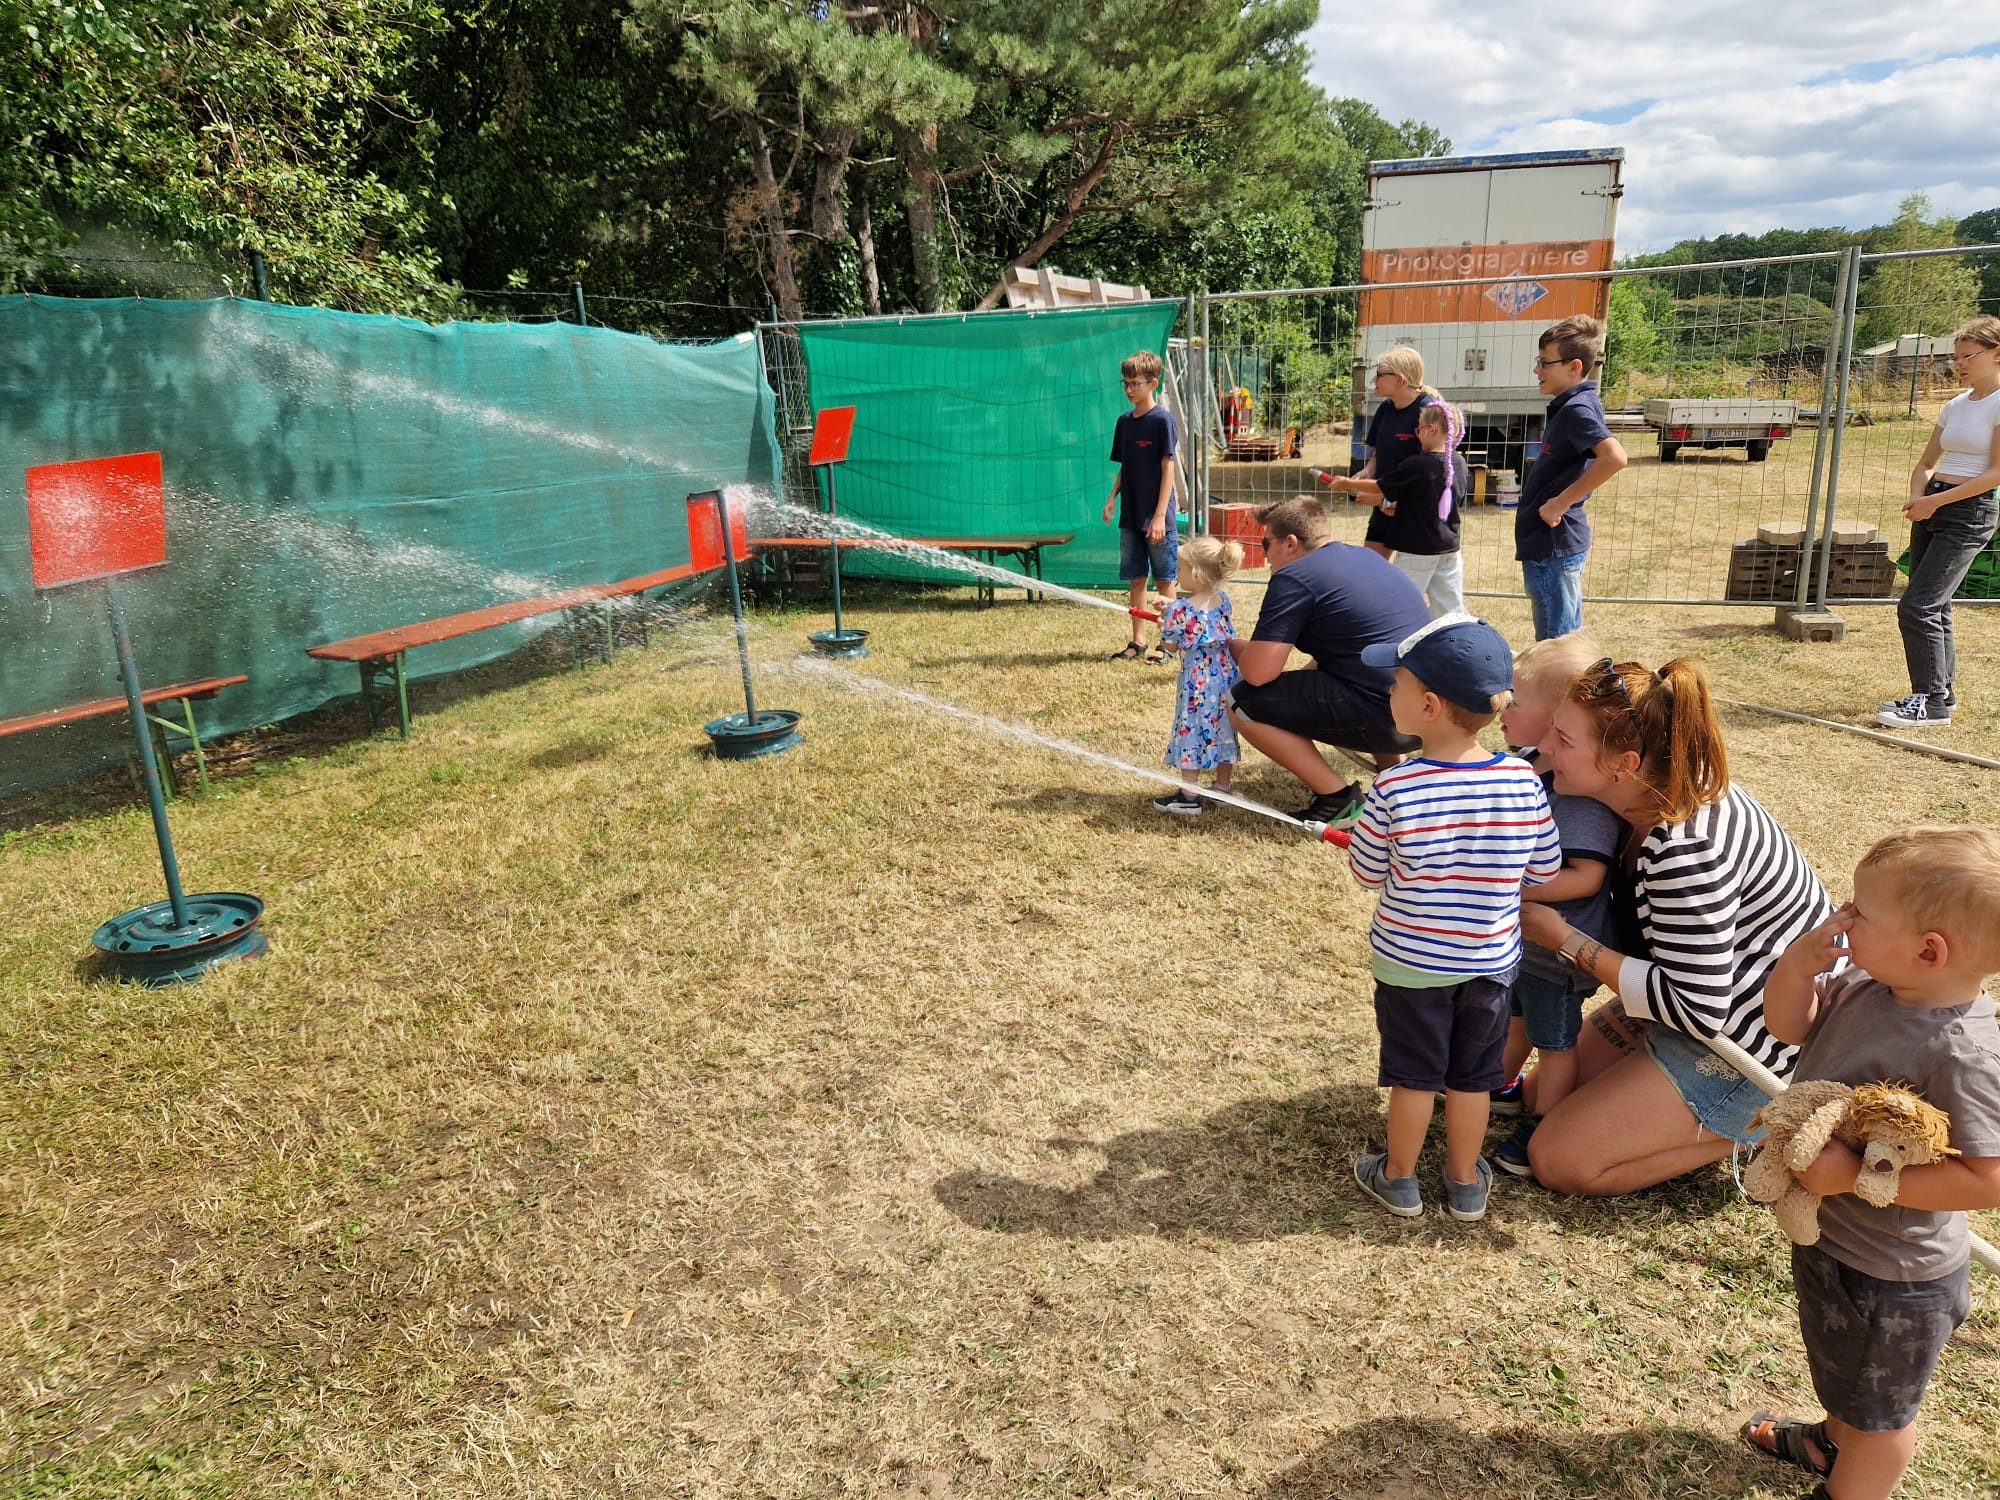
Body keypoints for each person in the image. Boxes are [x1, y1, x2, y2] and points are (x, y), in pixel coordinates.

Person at [1742, 825, 2000, 1500]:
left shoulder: (1963, 1053)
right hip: (1840, 1244)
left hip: (1895, 1281)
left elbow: (1988, 1178)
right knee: (1846, 1376)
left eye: (1860, 911)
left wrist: (1855, 1177)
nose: (1843, 917)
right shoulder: (1865, 985)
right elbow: (1789, 1026)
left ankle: (1850, 1480)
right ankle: (1831, 1443)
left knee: (1882, 1419)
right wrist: (1796, 968)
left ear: (1929, 950)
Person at [1517, 656, 1835, 1195]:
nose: (1547, 748)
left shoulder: (1684, 851)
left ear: (1625, 762)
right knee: (1536, 1093)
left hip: (1753, 1042)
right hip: (1703, 994)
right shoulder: (1656, 788)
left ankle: (1770, 1125)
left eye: (1564, 740)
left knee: (1558, 1160)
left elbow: (1698, 1008)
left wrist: (1564, 941)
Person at [1346, 614, 1561, 1222]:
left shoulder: (1396, 787)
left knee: (1415, 1078)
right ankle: (1466, 1184)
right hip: (1489, 965)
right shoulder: (1523, 780)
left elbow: (1366, 874)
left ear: (1431, 706)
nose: (1389, 691)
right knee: (1472, 1079)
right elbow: (1542, 871)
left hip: (1410, 964)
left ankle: (1399, 1179)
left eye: (1396, 683)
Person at [1486, 633, 1622, 1177]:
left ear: (1554, 721)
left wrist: (1512, 889)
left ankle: (1544, 1119)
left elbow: (1586, 877)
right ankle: (1499, 1086)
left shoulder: (1575, 795)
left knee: (1557, 1041)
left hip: (1559, 950)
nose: (1502, 705)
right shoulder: (1529, 764)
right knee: (1516, 1016)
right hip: (1525, 941)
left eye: (1515, 699)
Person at [1224, 496, 1431, 828]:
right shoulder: (1367, 557)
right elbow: (1350, 653)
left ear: (1290, 543)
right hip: (1427, 715)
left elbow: (1258, 673)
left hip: (1386, 718)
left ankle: (1338, 800)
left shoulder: (1295, 576)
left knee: (1240, 702)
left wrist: (1233, 646)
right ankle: (1394, 777)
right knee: (1347, 676)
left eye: (1266, 544)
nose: (1264, 557)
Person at [1877, 315, 2000, 730]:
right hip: (1934, 504)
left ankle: (1928, 703)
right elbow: (1928, 462)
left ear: (1997, 354)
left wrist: (1938, 502)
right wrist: (1919, 495)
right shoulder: (1955, 404)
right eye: (1956, 357)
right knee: (1935, 603)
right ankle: (1941, 693)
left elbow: (1995, 473)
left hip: (1970, 510)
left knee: (1918, 605)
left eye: (1969, 356)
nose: (1960, 364)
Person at [1515, 315, 1627, 640]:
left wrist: (1561, 503)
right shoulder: (1571, 406)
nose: (1537, 370)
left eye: (1544, 363)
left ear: (1574, 366)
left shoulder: (1577, 410)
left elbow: (1615, 457)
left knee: (1556, 649)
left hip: (1554, 548)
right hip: (1550, 548)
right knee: (1566, 643)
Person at [1325, 399, 1468, 617]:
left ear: (1431, 430)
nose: (1416, 434)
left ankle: (1395, 645)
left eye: (1418, 429)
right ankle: (1457, 642)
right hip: (1449, 549)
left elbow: (1380, 486)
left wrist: (1346, 483)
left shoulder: (1417, 464)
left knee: (1400, 605)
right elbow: (1429, 500)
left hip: (1416, 550)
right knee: (1450, 609)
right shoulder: (1458, 463)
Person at [1149, 537, 1242, 816]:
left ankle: (1189, 795)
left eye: (1180, 568)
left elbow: (1171, 646)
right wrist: (1172, 609)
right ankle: (1223, 789)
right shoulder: (1222, 599)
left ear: (1197, 573)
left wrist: (1165, 622)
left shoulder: (1180, 610)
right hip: (1226, 676)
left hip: (1196, 682)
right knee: (1224, 728)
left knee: (1191, 728)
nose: (1177, 573)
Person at [1104, 350, 1181, 664]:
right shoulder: (1124, 422)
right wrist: (1112, 498)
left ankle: (1169, 643)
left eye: (1135, 383)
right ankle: (1138, 642)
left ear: (1153, 383)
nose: (1129, 389)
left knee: (1164, 581)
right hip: (1130, 516)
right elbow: (1126, 466)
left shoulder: (1163, 420)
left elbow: (1169, 469)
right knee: (1136, 578)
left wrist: (1160, 515)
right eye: (1126, 383)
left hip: (1157, 518)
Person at [1351, 347, 1439, 561]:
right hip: (1385, 506)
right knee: (1369, 568)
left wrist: (1388, 499)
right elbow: (1379, 451)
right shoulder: (1386, 408)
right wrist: (1368, 471)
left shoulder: (1429, 411)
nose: (1374, 379)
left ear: (1400, 379)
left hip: (1415, 513)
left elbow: (1433, 469)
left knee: (1412, 580)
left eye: (1380, 374)